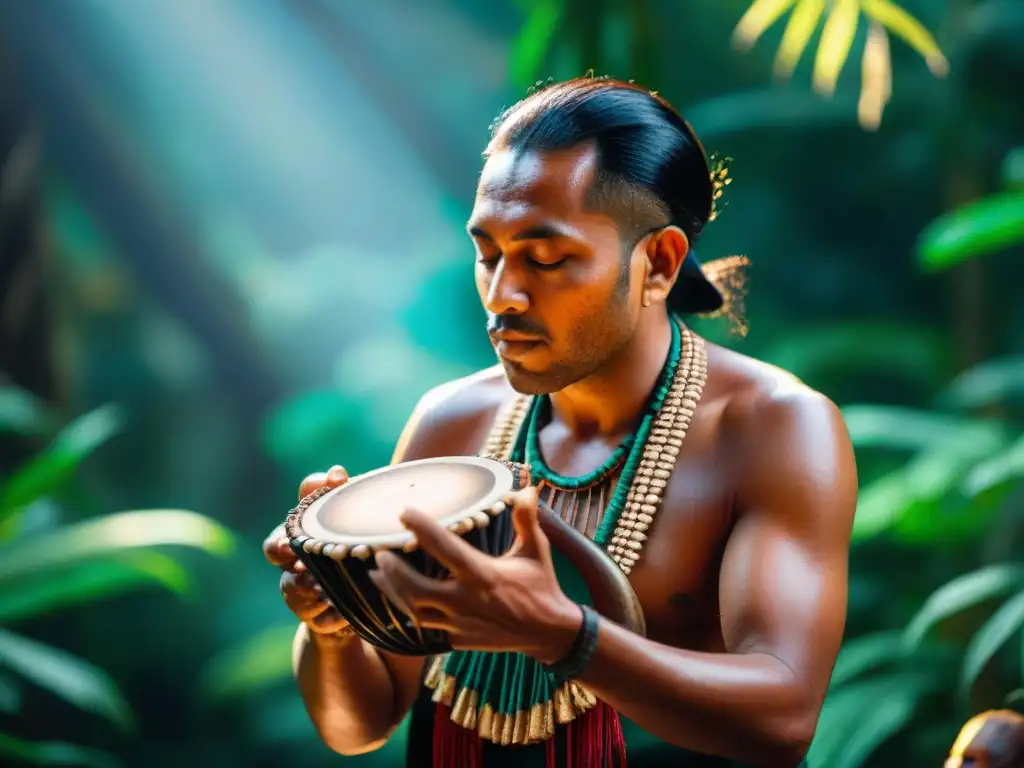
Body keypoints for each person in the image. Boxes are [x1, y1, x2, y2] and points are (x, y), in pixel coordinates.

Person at [263, 76, 857, 767]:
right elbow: (358, 726)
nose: (502, 296)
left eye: (546, 259)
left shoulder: (772, 430)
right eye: (489, 255)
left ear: (658, 262)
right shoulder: (453, 424)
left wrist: (562, 637)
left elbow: (784, 717)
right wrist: (335, 622)